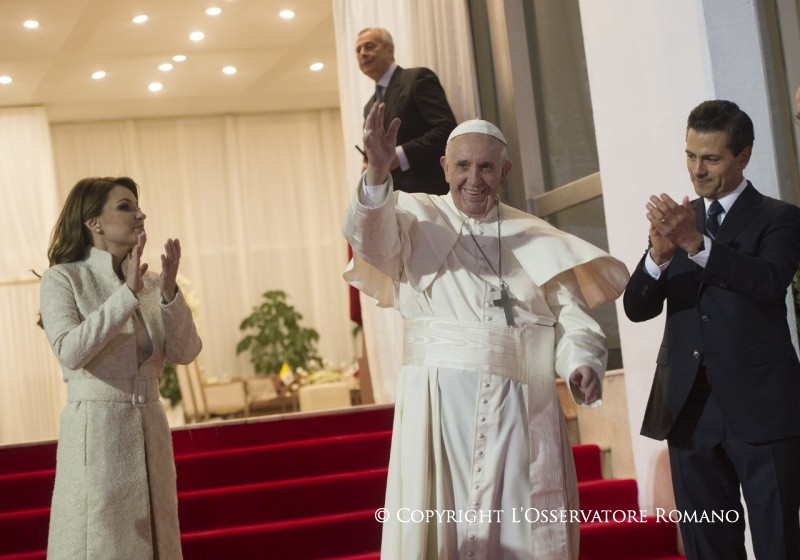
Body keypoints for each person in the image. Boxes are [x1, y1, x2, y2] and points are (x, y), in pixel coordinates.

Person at [343, 103, 629, 559]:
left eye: (486, 168)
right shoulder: (414, 218)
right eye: (463, 166)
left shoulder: (536, 237)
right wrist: (378, 173)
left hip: (519, 417)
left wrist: (582, 361)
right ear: (444, 167)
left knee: (516, 536)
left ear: (505, 171)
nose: (473, 179)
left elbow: (571, 316)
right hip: (437, 413)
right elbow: (371, 240)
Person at [623, 100, 800, 559]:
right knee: (707, 548)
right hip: (689, 412)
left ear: (743, 156)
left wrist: (695, 243)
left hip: (762, 409)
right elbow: (637, 308)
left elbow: (767, 281)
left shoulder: (779, 217)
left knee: (779, 543)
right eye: (690, 155)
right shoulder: (682, 222)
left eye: (711, 159)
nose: (697, 171)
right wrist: (658, 257)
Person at [39, 176, 202, 559]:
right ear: (93, 222)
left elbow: (186, 352)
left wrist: (169, 293)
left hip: (151, 430)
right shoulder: (63, 278)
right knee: (103, 545)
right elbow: (70, 351)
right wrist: (125, 293)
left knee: (158, 545)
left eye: (138, 206)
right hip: (96, 434)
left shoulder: (152, 282)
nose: (140, 215)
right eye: (125, 207)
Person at [355, 27, 457, 195]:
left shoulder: (417, 78)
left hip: (428, 194)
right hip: (391, 200)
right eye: (358, 50)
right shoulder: (369, 107)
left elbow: (447, 129)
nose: (362, 53)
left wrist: (399, 156)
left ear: (390, 50)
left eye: (369, 46)